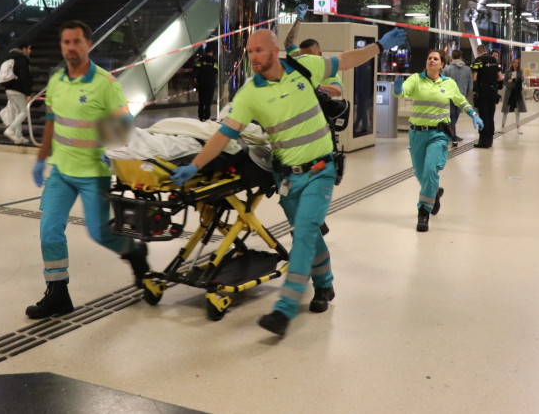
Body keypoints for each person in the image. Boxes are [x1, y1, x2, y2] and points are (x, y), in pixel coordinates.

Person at [169, 26, 410, 338]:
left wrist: (379, 46)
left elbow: (347, 60)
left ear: (273, 50)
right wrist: (195, 164)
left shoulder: (303, 67)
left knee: (306, 231)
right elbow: (224, 134)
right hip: (286, 177)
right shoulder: (250, 94)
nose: (253, 56)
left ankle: (283, 310)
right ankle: (325, 285)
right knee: (307, 235)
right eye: (250, 51)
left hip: (321, 169)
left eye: (258, 50)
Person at [26, 20, 149, 319]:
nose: (71, 47)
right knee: (49, 231)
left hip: (94, 173)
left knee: (100, 233)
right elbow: (52, 124)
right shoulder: (56, 81)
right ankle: (58, 293)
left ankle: (133, 251)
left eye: (76, 42)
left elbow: (122, 126)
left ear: (88, 44)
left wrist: (114, 155)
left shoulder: (105, 84)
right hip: (61, 172)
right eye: (66, 42)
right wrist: (42, 159)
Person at [394, 50, 483, 232]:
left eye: (436, 59)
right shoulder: (415, 79)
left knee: (430, 170)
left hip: (439, 134)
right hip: (417, 134)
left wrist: (473, 114)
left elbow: (460, 101)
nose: (432, 61)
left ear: (442, 64)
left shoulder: (448, 83)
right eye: (429, 58)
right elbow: (402, 93)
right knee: (420, 173)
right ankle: (434, 193)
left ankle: (423, 212)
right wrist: (398, 89)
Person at [284, 4, 344, 98]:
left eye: (310, 56)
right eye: (303, 57)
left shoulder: (328, 72)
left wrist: (316, 86)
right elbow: (289, 43)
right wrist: (299, 19)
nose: (306, 60)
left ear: (319, 54)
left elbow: (337, 91)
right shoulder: (298, 60)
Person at [1, 43, 33, 144]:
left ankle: (18, 137)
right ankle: (10, 130)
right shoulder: (22, 59)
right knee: (24, 111)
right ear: (24, 49)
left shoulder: (10, 58)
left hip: (9, 89)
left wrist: (7, 91)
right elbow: (24, 77)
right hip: (18, 90)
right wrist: (28, 93)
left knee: (18, 112)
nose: (30, 51)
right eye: (29, 48)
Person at [470, 45, 502, 148]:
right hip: (493, 90)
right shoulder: (494, 60)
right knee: (491, 115)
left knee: (483, 115)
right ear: (486, 51)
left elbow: (474, 78)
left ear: (478, 51)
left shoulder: (478, 60)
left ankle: (483, 140)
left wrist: (475, 88)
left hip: (483, 90)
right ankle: (490, 140)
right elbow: (500, 77)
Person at [440, 48, 473, 146]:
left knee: (451, 117)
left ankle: (451, 136)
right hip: (460, 97)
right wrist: (466, 95)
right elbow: (470, 85)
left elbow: (441, 83)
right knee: (454, 118)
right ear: (461, 56)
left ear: (452, 57)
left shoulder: (447, 69)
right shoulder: (467, 69)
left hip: (449, 97)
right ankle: (453, 137)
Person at [500, 57, 527, 133]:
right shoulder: (508, 71)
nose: (515, 64)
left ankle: (518, 127)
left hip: (517, 93)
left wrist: (514, 80)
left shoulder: (520, 71)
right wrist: (511, 84)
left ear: (519, 64)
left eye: (517, 62)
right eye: (514, 62)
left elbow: (521, 80)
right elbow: (505, 82)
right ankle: (502, 127)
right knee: (506, 110)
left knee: (517, 110)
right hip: (509, 92)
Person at [194, 48, 218, 121]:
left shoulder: (201, 60)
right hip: (211, 83)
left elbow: (196, 69)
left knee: (201, 101)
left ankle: (200, 116)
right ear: (211, 52)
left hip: (202, 83)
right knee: (208, 102)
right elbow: (216, 71)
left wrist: (197, 79)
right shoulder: (214, 61)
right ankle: (207, 116)